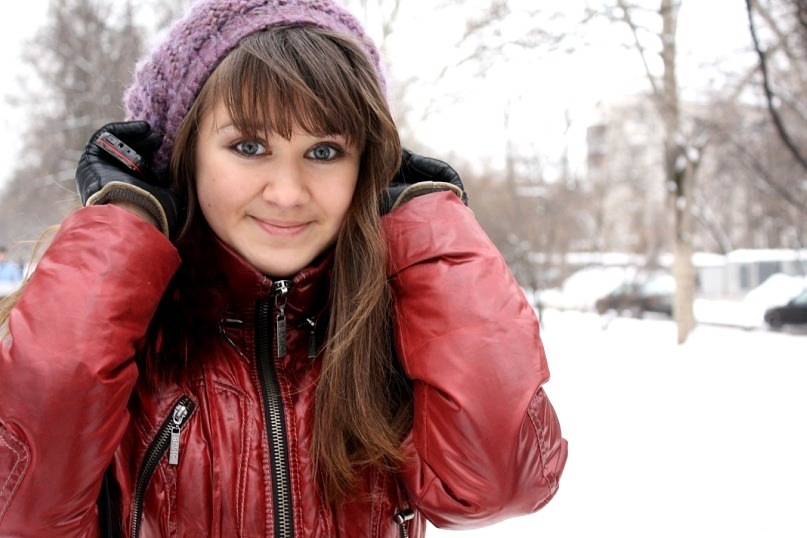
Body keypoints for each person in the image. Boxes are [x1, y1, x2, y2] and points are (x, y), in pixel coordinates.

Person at [0, 0, 567, 536]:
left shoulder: (397, 325)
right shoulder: (120, 334)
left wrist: (427, 219)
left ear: (368, 166)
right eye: (249, 147)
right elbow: (21, 504)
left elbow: (498, 485)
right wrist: (125, 222)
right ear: (184, 154)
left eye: (324, 152)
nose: (288, 193)